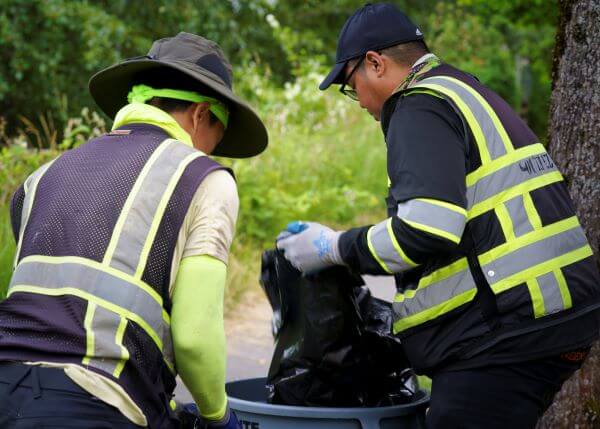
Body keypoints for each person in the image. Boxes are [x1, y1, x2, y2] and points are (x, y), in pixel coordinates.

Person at [277, 3, 600, 428]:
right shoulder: (464, 90)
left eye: (351, 85)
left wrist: (330, 247)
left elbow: (425, 230)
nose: (357, 102)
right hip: (547, 317)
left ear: (375, 63)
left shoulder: (418, 107)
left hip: (507, 334)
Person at [0, 32, 267, 429]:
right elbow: (194, 338)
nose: (212, 151)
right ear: (200, 115)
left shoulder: (41, 178)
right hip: (94, 405)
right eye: (218, 136)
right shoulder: (203, 179)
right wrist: (218, 416)